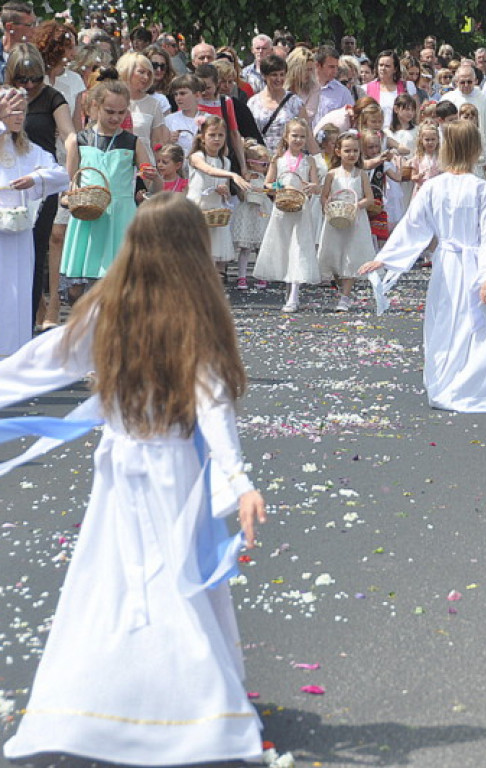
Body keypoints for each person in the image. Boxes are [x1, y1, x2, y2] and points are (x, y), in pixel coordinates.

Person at [0, 192, 267, 764]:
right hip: (173, 470)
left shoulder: (106, 308)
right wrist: (239, 479)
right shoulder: (189, 312)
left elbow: (41, 363)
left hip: (119, 470)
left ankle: (101, 702)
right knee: (173, 581)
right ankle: (191, 711)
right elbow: (214, 403)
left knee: (114, 583)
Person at [358, 119, 486, 413]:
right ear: (475, 149)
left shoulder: (435, 187)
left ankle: (449, 382)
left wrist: (386, 257)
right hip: (469, 262)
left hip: (447, 265)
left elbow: (413, 226)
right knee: (480, 324)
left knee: (449, 321)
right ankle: (481, 385)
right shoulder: (481, 189)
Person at [61, 81, 158, 293]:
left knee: (118, 282)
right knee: (79, 288)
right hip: (89, 215)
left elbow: (149, 181)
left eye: (121, 112)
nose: (115, 118)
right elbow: (69, 182)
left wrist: (150, 176)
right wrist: (68, 198)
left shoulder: (133, 142)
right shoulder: (79, 140)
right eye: (109, 111)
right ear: (95, 107)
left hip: (121, 216)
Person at [0, 86, 68, 355]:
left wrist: (36, 179)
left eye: (22, 111)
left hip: (18, 232)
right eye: (12, 110)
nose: (19, 116)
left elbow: (61, 175)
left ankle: (13, 350)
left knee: (18, 289)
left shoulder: (29, 150)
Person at [254, 118, 320, 312]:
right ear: (286, 136)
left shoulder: (309, 161)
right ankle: (288, 286)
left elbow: (315, 186)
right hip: (282, 209)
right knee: (284, 248)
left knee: (298, 248)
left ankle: (294, 294)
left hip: (300, 210)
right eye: (294, 136)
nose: (298, 140)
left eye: (302, 136)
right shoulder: (278, 160)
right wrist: (280, 187)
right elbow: (267, 184)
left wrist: (312, 187)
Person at [318, 131, 375, 311]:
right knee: (334, 254)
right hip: (335, 220)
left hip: (355, 220)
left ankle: (345, 296)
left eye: (355, 151)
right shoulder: (332, 174)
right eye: (347, 151)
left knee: (350, 255)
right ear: (338, 152)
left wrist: (356, 206)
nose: (352, 155)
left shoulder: (361, 174)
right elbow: (324, 196)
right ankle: (340, 284)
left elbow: (370, 198)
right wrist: (329, 206)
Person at [188, 114, 247, 270]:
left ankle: (213, 288)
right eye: (212, 135)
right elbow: (208, 170)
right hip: (197, 210)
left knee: (216, 257)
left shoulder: (225, 161)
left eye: (220, 135)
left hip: (215, 214)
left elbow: (226, 194)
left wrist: (224, 191)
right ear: (202, 137)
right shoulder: (197, 156)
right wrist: (233, 174)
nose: (216, 139)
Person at [440, 63, 486, 187]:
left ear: (475, 80)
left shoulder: (484, 100)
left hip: (478, 158)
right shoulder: (448, 99)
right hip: (454, 154)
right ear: (456, 81)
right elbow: (441, 128)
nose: (466, 85)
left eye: (469, 82)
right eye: (462, 82)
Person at [232, 139, 272, 290]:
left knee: (261, 246)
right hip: (248, 212)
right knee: (245, 247)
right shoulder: (247, 177)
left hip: (261, 211)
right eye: (263, 164)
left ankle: (262, 275)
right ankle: (241, 276)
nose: (266, 167)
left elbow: (269, 189)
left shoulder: (264, 178)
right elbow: (241, 195)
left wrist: (267, 190)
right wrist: (246, 188)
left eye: (267, 164)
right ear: (251, 163)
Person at [248, 54, 302, 153]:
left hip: (287, 158)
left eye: (282, 74)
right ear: (264, 76)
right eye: (274, 75)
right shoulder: (253, 103)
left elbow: (305, 133)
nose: (279, 79)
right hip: (261, 158)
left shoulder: (295, 102)